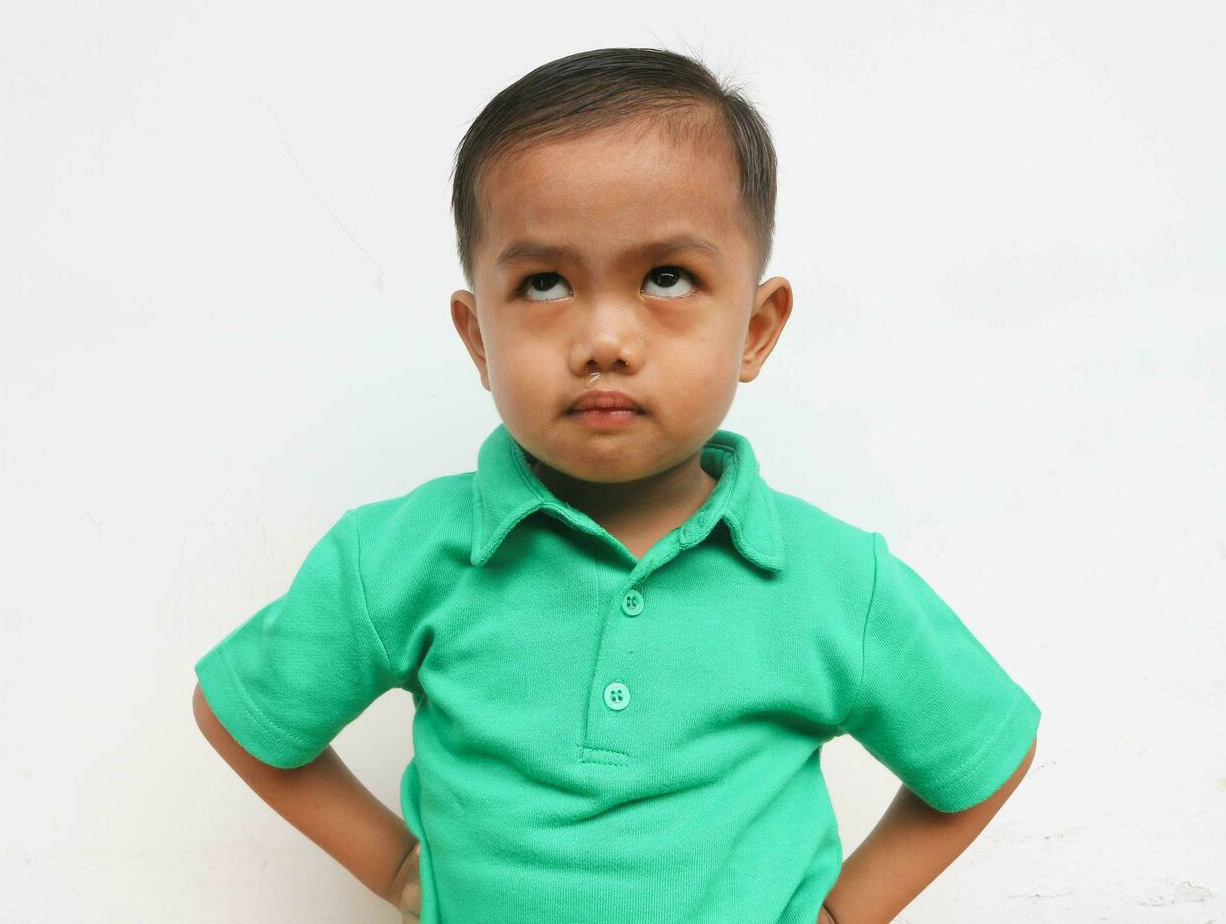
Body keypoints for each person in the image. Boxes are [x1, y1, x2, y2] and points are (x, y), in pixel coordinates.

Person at [191, 46, 1041, 924]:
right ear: (477, 336)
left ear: (755, 328)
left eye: (666, 277)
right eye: (544, 283)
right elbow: (246, 718)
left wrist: (840, 914)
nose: (605, 339)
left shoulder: (830, 579)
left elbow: (983, 753)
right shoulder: (398, 559)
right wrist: (395, 867)